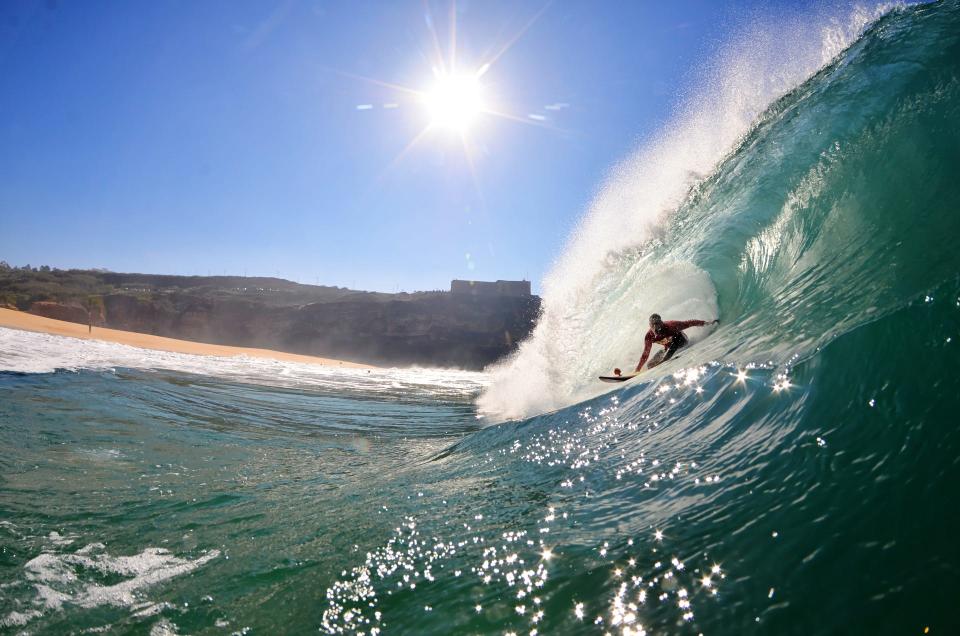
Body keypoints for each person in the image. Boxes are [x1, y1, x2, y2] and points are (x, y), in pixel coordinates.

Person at [634, 313, 719, 372]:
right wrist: (637, 369)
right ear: (650, 325)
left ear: (661, 322)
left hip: (681, 341)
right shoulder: (649, 336)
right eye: (653, 325)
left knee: (674, 342)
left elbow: (691, 322)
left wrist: (708, 323)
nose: (656, 327)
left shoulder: (672, 326)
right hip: (667, 347)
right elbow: (646, 354)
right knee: (650, 365)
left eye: (657, 323)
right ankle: (662, 362)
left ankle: (664, 361)